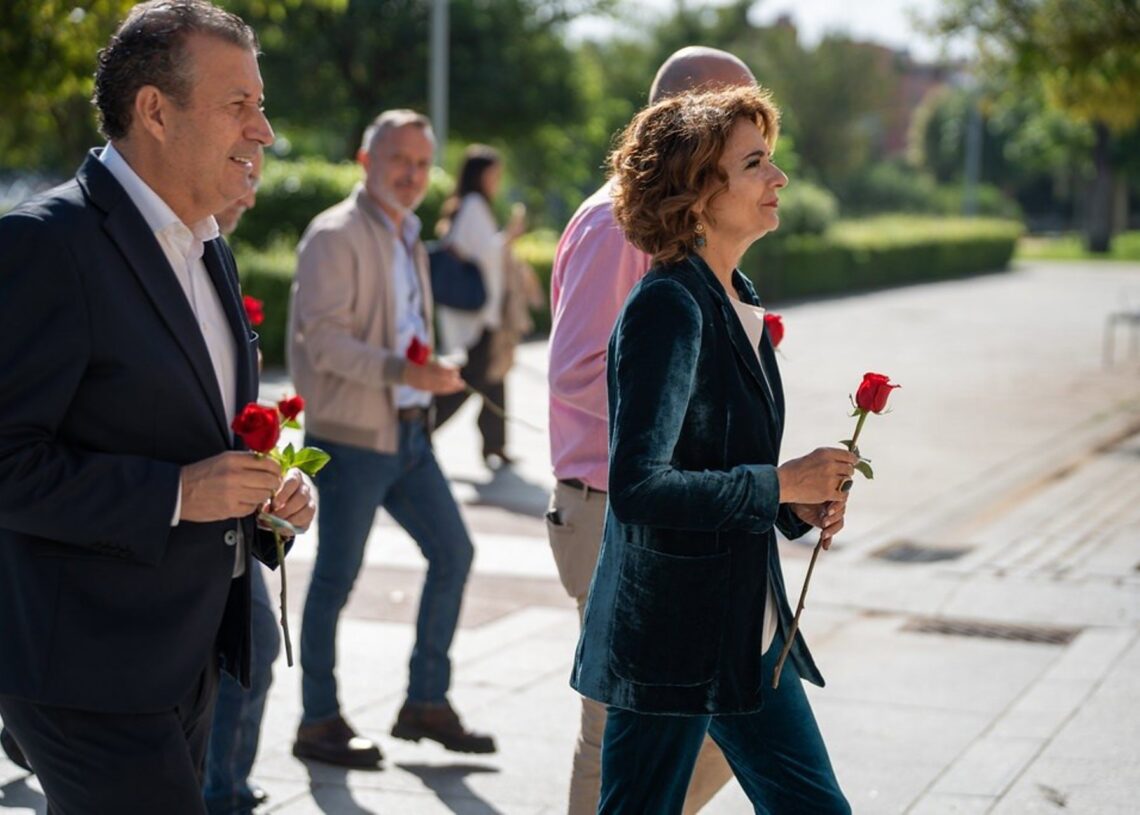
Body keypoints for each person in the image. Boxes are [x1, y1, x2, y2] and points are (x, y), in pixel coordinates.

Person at [0, 2, 316, 813]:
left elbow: (189, 428)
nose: (265, 131)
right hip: (86, 670)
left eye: (262, 104)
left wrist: (271, 496)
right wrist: (178, 492)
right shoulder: (45, 245)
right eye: (239, 104)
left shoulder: (207, 242)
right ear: (154, 111)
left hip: (187, 656)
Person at [570, 85, 856, 814]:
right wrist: (777, 484)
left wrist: (796, 502)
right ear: (699, 192)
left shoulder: (734, 294)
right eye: (755, 163)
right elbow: (639, 488)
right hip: (669, 636)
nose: (778, 178)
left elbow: (722, 459)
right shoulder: (669, 305)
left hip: (744, 629)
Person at [546, 45, 757, 815]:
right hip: (613, 508)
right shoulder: (616, 222)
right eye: (739, 116)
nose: (757, 142)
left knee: (715, 721)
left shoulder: (671, 224)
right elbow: (577, 370)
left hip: (649, 507)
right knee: (624, 738)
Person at [289, 109, 496, 769]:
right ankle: (318, 719)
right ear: (364, 160)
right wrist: (406, 371)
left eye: (420, 162)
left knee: (454, 552)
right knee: (335, 581)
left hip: (410, 435)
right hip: (351, 439)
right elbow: (322, 344)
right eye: (397, 159)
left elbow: (405, 324)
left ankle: (424, 703)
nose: (410, 174)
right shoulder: (333, 235)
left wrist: (427, 376)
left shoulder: (408, 234)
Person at [204, 149, 279, 815]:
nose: (251, 194)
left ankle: (223, 785)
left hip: (232, 518)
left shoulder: (215, 257)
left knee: (257, 645)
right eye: (245, 174)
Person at [433, 144, 528, 467]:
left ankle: (494, 444)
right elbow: (471, 250)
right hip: (477, 312)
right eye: (493, 174)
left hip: (484, 311)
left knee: (493, 374)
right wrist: (509, 238)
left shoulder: (472, 205)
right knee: (472, 377)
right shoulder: (474, 205)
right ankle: (420, 430)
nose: (496, 181)